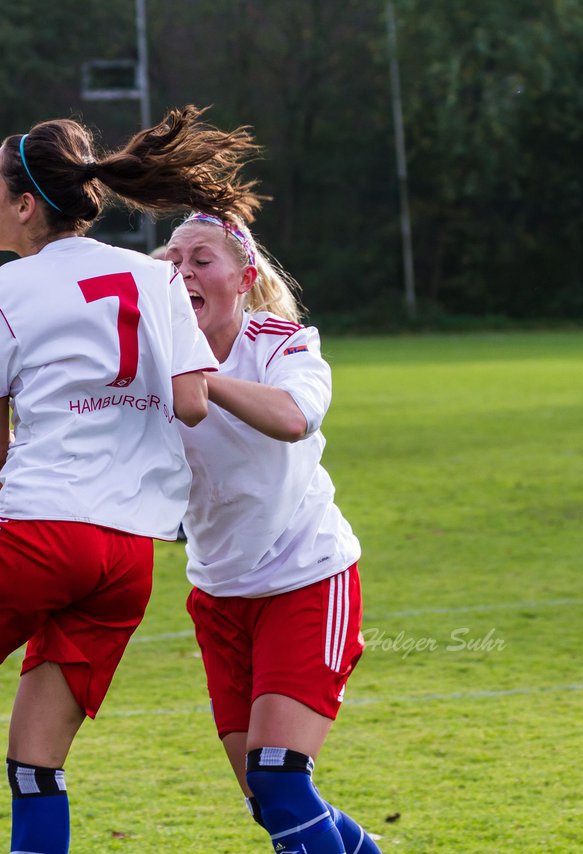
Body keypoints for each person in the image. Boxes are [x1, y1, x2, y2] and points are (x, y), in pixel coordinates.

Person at [0, 106, 262, 854]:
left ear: (26, 204)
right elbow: (193, 403)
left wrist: (12, 490)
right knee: (36, 765)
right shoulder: (154, 278)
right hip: (128, 556)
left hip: (40, 528)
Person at [164, 211, 382, 854]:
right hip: (218, 595)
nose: (183, 273)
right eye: (172, 261)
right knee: (270, 803)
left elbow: (292, 418)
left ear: (244, 276)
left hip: (308, 579)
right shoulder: (155, 362)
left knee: (280, 781)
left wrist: (201, 382)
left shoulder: (283, 342)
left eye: (201, 259)